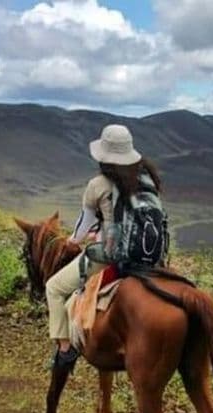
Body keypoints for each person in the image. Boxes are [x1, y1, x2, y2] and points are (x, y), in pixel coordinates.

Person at [46, 124, 163, 370]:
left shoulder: (97, 185)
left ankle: (65, 352)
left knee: (54, 288)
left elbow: (82, 228)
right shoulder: (147, 178)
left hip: (111, 256)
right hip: (150, 258)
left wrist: (73, 241)